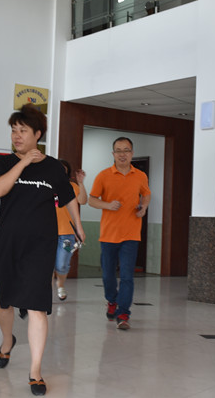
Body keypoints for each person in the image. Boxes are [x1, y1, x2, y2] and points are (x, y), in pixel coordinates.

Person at [0, 104, 85, 396]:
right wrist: (23, 163)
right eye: (13, 131)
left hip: (41, 246)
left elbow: (68, 197)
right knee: (4, 302)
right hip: (8, 243)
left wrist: (79, 226)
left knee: (37, 307)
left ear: (38, 134)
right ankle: (8, 341)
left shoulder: (53, 167)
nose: (17, 136)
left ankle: (35, 371)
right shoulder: (4, 162)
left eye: (23, 131)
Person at [88, 137, 151, 330]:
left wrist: (144, 208)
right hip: (108, 235)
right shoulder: (103, 175)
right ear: (113, 154)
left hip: (131, 234)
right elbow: (92, 200)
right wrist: (107, 205)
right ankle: (112, 300)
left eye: (126, 150)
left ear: (132, 153)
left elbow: (146, 194)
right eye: (118, 150)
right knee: (108, 275)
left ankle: (123, 313)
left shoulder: (140, 175)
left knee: (127, 276)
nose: (122, 154)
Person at [54, 160, 88, 301]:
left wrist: (81, 183)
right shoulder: (47, 185)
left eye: (64, 170)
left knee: (62, 264)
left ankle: (60, 285)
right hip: (47, 234)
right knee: (46, 265)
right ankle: (44, 293)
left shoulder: (72, 187)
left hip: (67, 235)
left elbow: (83, 201)